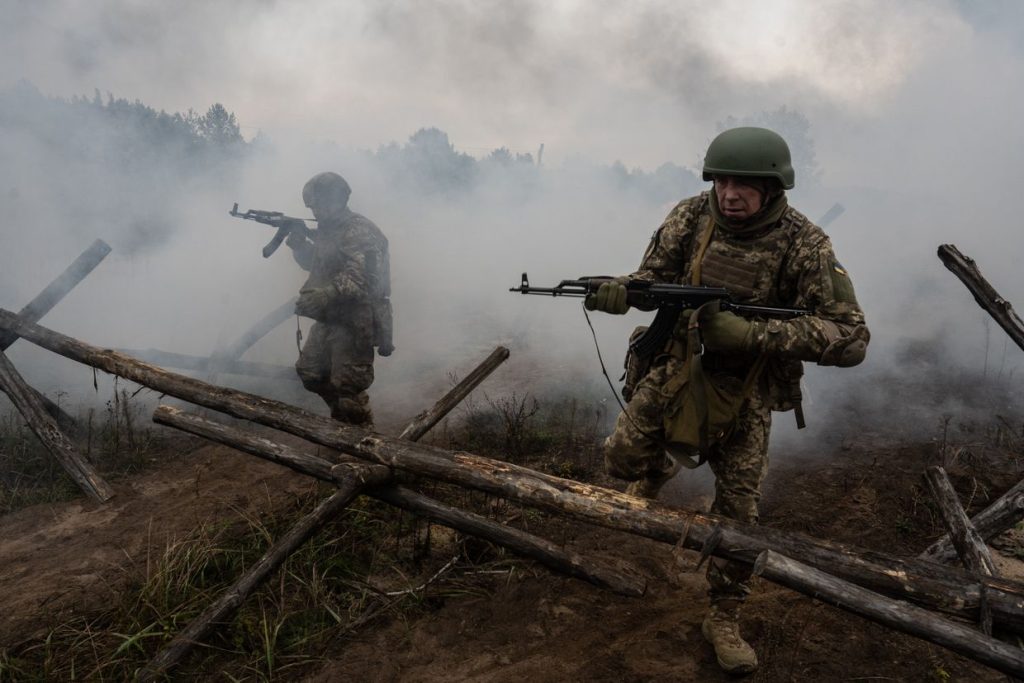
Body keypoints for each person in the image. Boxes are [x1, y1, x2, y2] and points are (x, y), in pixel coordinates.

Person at [585, 127, 868, 674]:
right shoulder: (691, 217)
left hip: (748, 391)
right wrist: (619, 294)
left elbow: (852, 337)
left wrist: (752, 336)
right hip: (674, 371)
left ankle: (723, 615)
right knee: (620, 462)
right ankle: (662, 462)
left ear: (773, 186)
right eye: (721, 180)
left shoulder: (805, 244)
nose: (729, 193)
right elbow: (654, 279)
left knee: (738, 513)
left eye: (744, 183)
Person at [287, 171, 393, 427]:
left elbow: (363, 277)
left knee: (347, 385)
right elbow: (320, 267)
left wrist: (326, 294)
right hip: (331, 316)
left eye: (317, 204)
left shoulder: (360, 230)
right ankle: (344, 421)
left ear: (335, 199)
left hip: (357, 319)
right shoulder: (328, 230)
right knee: (311, 373)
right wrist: (300, 247)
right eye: (311, 206)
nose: (314, 211)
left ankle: (361, 439)